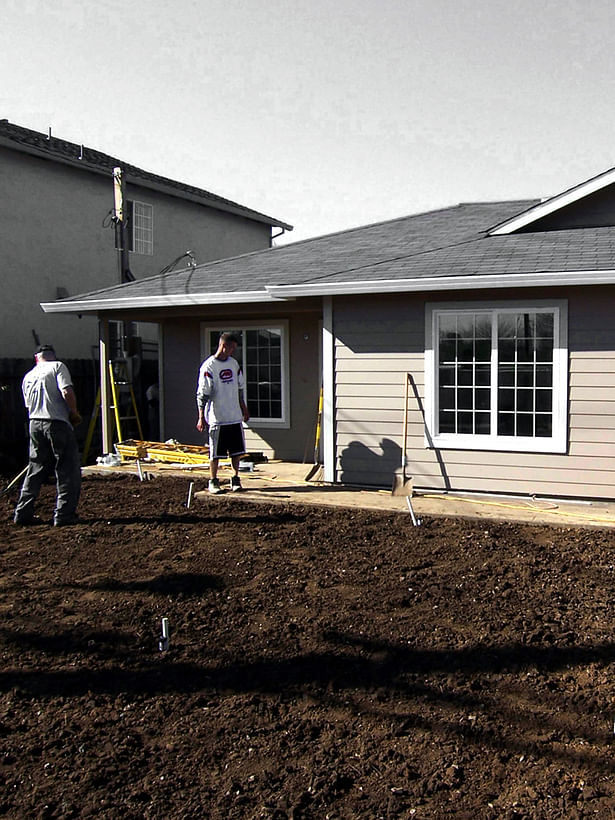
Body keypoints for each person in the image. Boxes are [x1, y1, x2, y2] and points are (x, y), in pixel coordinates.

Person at [13, 345, 83, 526]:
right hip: (57, 423)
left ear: (36, 358)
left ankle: (22, 513)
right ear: (53, 356)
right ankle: (64, 515)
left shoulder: (28, 376)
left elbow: (28, 405)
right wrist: (74, 412)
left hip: (34, 423)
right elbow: (66, 390)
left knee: (35, 468)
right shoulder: (57, 367)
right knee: (67, 468)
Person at [196, 332, 250, 494]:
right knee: (215, 453)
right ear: (223, 346)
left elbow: (239, 388)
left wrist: (243, 408)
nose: (233, 351)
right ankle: (213, 480)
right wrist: (200, 417)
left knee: (237, 452)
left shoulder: (233, 364)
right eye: (232, 347)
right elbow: (203, 394)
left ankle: (235, 478)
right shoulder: (209, 366)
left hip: (234, 417)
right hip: (217, 418)